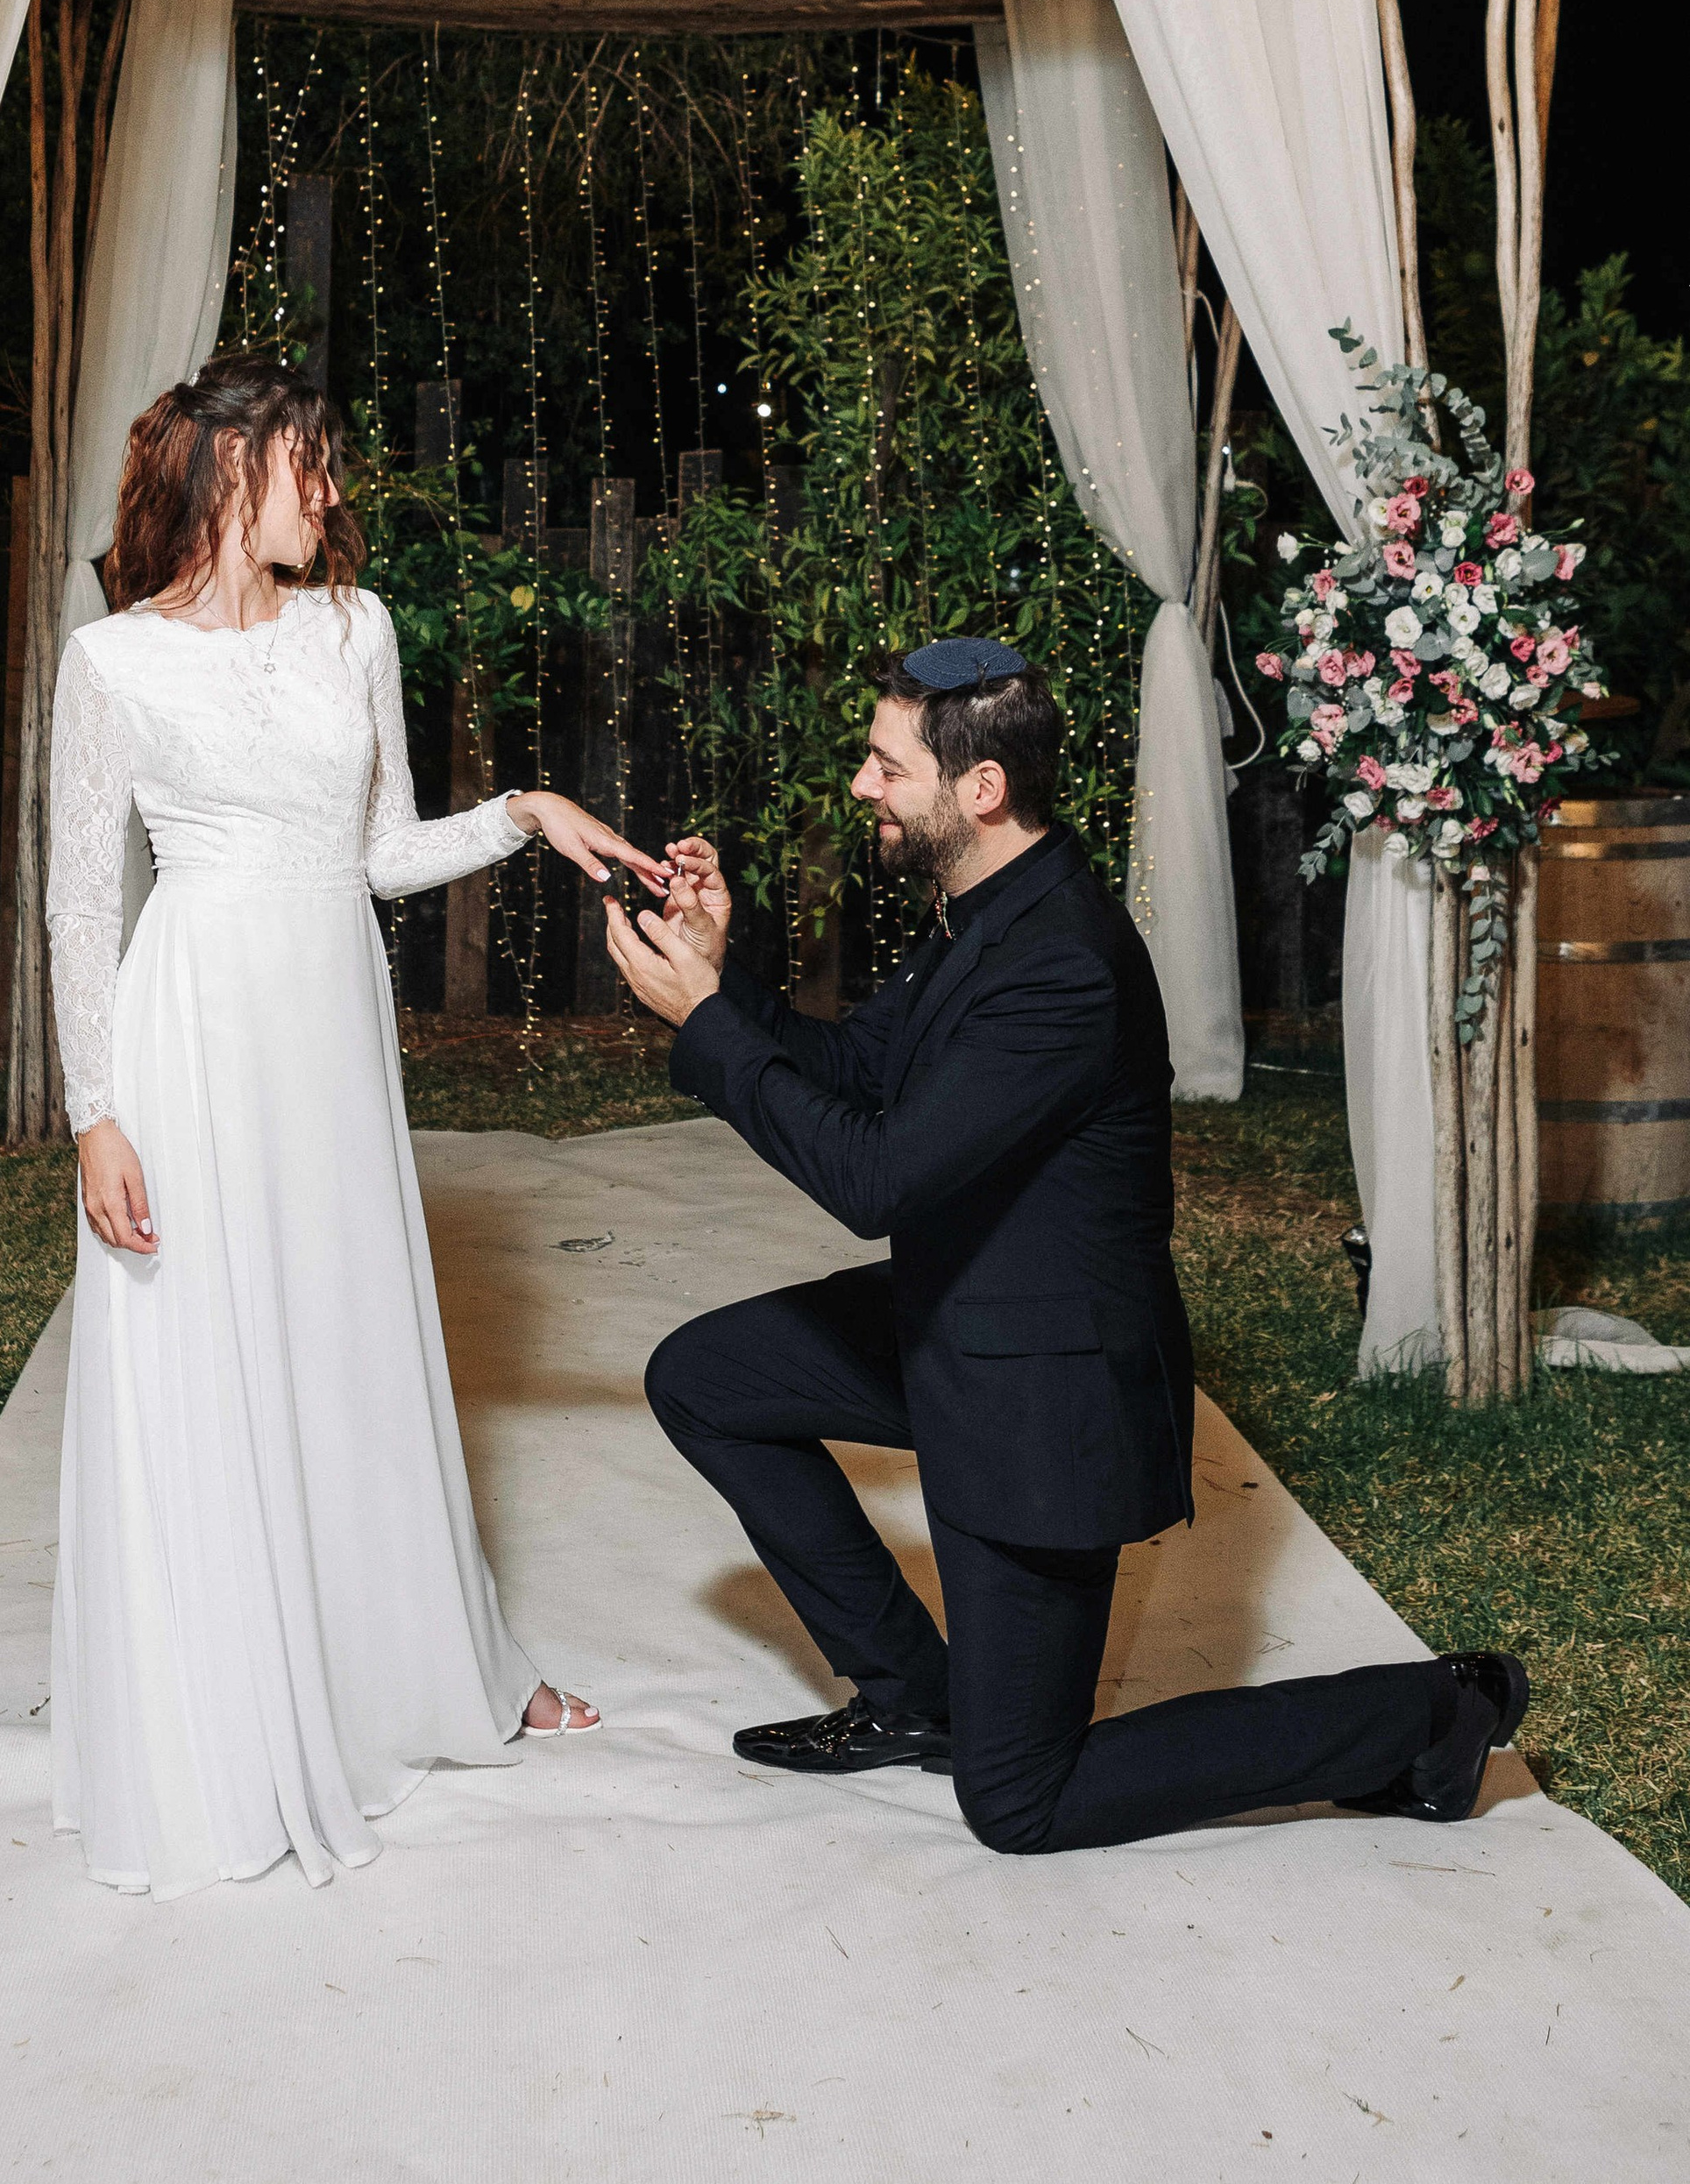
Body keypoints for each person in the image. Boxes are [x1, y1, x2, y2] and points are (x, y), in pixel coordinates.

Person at [607, 636, 1529, 1854]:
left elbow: (872, 1176)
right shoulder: (992, 905)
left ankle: (1430, 1711)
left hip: (1050, 1397)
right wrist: (728, 984)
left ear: (978, 791)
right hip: (959, 1323)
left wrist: (712, 1030)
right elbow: (870, 1071)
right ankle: (910, 1696)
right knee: (706, 1377)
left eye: (886, 766)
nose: (860, 787)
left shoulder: (1063, 967)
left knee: (1021, 1805)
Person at [48, 352, 663, 1894]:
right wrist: (95, 1113)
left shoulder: (354, 626)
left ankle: (427, 1670)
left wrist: (526, 814)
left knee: (348, 1335)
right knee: (217, 1341)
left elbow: (380, 853)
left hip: (325, 1031)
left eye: (331, 465)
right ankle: (228, 1703)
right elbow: (75, 905)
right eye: (304, 466)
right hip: (191, 1029)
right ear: (225, 472)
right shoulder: (111, 663)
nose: (329, 494)